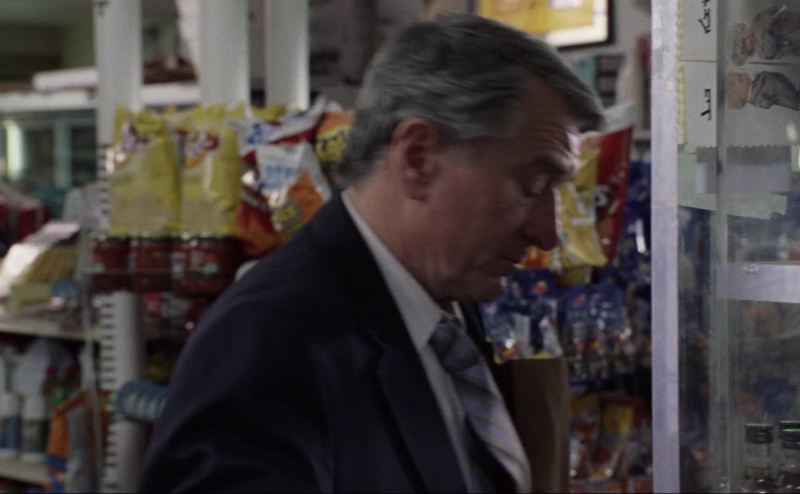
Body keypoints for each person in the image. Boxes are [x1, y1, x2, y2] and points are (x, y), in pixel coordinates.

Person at [139, 13, 603, 493]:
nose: (548, 233)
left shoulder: (448, 309)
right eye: (531, 185)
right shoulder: (266, 344)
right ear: (418, 157)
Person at [731, 5, 800, 66]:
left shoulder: (757, 21)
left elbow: (773, 10)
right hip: (794, 45)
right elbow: (776, 51)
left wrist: (768, 23)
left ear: (745, 34)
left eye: (745, 42)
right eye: (746, 48)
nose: (748, 45)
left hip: (792, 24)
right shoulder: (761, 52)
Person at [726, 70, 800, 111]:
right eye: (741, 78)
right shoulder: (758, 92)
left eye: (740, 74)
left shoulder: (756, 95)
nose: (744, 75)